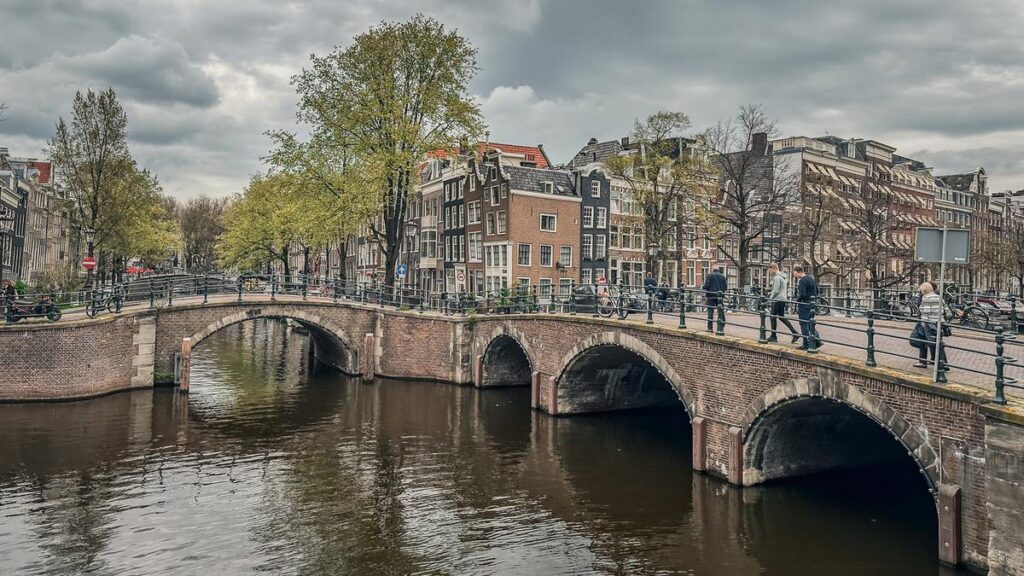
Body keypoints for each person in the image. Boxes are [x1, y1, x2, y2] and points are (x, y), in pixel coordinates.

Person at [911, 282, 949, 370]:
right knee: (936, 343)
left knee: (926, 342)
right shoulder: (939, 297)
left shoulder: (926, 298)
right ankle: (940, 363)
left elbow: (926, 312)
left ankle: (940, 364)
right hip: (940, 323)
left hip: (929, 324)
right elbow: (946, 309)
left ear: (924, 290)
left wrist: (923, 323)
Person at [767, 263, 800, 343]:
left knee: (772, 317)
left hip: (777, 299)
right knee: (781, 316)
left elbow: (776, 290)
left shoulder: (777, 278)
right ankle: (794, 333)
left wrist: (770, 298)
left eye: (770, 270)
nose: (770, 272)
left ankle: (773, 336)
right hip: (783, 299)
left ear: (774, 268)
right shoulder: (783, 276)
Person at [793, 265, 822, 349]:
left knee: (803, 324)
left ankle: (806, 344)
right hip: (811, 304)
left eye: (795, 274)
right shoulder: (811, 279)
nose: (795, 276)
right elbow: (817, 290)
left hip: (804, 305)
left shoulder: (802, 281)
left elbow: (802, 294)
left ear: (799, 272)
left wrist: (797, 300)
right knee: (810, 323)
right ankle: (817, 341)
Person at [701, 267, 727, 332]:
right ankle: (721, 326)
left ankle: (710, 328)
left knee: (710, 311)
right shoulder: (722, 276)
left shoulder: (710, 275)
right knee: (720, 311)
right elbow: (725, 287)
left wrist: (703, 287)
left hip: (711, 296)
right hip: (719, 296)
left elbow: (707, 285)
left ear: (713, 269)